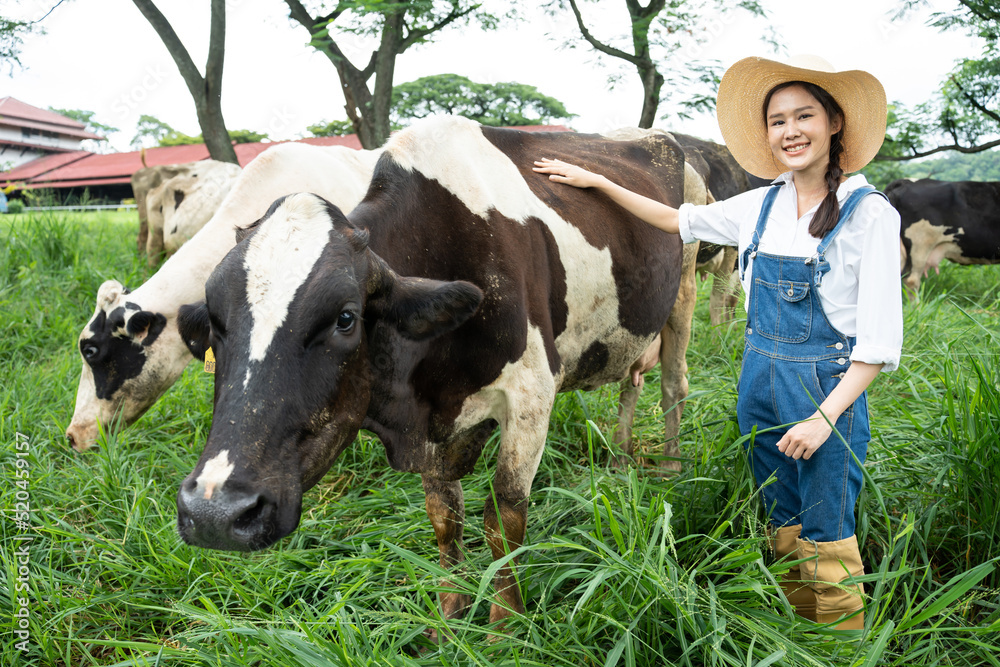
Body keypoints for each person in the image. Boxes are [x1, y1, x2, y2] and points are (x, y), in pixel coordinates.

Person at [533, 55, 903, 631]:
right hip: (758, 381)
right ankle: (797, 629)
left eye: (804, 116)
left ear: (834, 123)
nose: (790, 131)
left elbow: (877, 343)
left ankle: (842, 643)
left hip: (827, 388)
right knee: (780, 512)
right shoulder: (761, 204)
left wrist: (825, 418)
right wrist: (600, 182)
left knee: (827, 524)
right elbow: (676, 218)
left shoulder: (867, 212)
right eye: (777, 121)